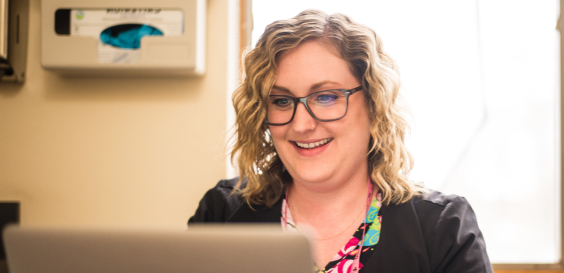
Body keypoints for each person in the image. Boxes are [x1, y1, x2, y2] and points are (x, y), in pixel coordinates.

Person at [189, 9, 493, 273]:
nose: (301, 124)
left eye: (325, 97)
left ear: (374, 104)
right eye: (281, 101)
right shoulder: (221, 214)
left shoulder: (442, 229)